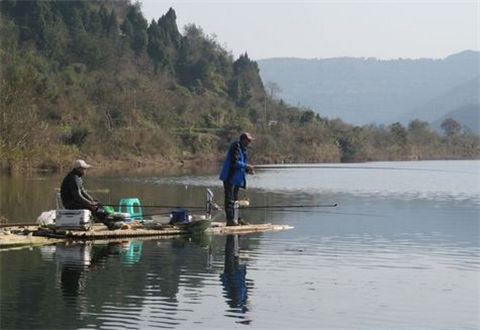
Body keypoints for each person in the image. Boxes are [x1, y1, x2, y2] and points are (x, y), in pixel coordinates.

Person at [219, 133, 254, 226]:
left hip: (236, 179)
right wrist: (246, 166)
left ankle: (237, 218)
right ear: (243, 140)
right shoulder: (236, 146)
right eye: (248, 140)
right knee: (229, 199)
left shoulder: (243, 150)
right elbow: (234, 163)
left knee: (235, 200)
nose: (249, 143)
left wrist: (247, 170)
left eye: (250, 141)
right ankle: (230, 220)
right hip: (229, 177)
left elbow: (241, 163)